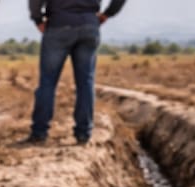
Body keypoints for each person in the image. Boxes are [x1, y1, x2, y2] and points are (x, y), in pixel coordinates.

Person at [23, 0, 126, 145]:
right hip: (89, 25)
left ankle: (39, 133)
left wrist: (38, 19)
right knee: (86, 82)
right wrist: (107, 14)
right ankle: (83, 134)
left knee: (47, 82)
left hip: (58, 25)